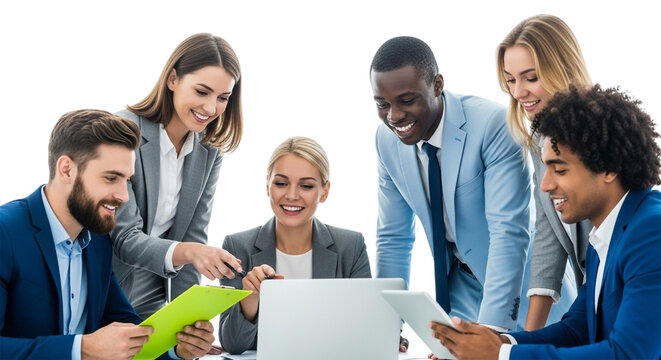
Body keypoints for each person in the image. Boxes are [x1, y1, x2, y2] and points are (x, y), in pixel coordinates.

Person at [430, 85, 661, 359]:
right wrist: (497, 342)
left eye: (559, 169)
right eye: (546, 167)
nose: (545, 185)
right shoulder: (608, 232)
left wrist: (500, 357)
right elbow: (577, 330)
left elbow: (628, 354)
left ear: (609, 168)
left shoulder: (650, 232)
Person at [0, 110, 215, 359]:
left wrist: (177, 349)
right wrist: (82, 349)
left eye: (126, 180)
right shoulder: (6, 233)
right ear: (67, 170)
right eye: (111, 178)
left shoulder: (98, 240)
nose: (123, 196)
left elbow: (127, 327)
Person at [370, 35, 532, 343]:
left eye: (406, 100)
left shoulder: (493, 124)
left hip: (522, 292)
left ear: (436, 85)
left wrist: (492, 331)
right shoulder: (385, 141)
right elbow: (393, 238)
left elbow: (508, 230)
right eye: (382, 104)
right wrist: (387, 327)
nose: (394, 116)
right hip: (460, 294)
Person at [110, 33, 244, 319]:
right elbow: (125, 238)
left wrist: (187, 322)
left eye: (222, 98)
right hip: (106, 287)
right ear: (172, 79)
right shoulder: (122, 132)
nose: (211, 109)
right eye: (201, 92)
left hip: (155, 291)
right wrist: (191, 252)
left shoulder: (209, 150)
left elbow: (193, 234)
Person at [217, 136, 371, 354]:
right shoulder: (237, 246)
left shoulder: (351, 247)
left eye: (306, 186)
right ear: (268, 186)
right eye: (281, 183)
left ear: (324, 191)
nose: (291, 195)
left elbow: (365, 330)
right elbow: (232, 344)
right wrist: (250, 298)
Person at [497, 14, 594, 330]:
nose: (518, 92)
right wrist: (527, 335)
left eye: (530, 77)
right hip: (591, 300)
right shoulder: (541, 140)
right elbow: (549, 235)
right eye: (511, 80)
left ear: (562, 69)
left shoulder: (603, 133)